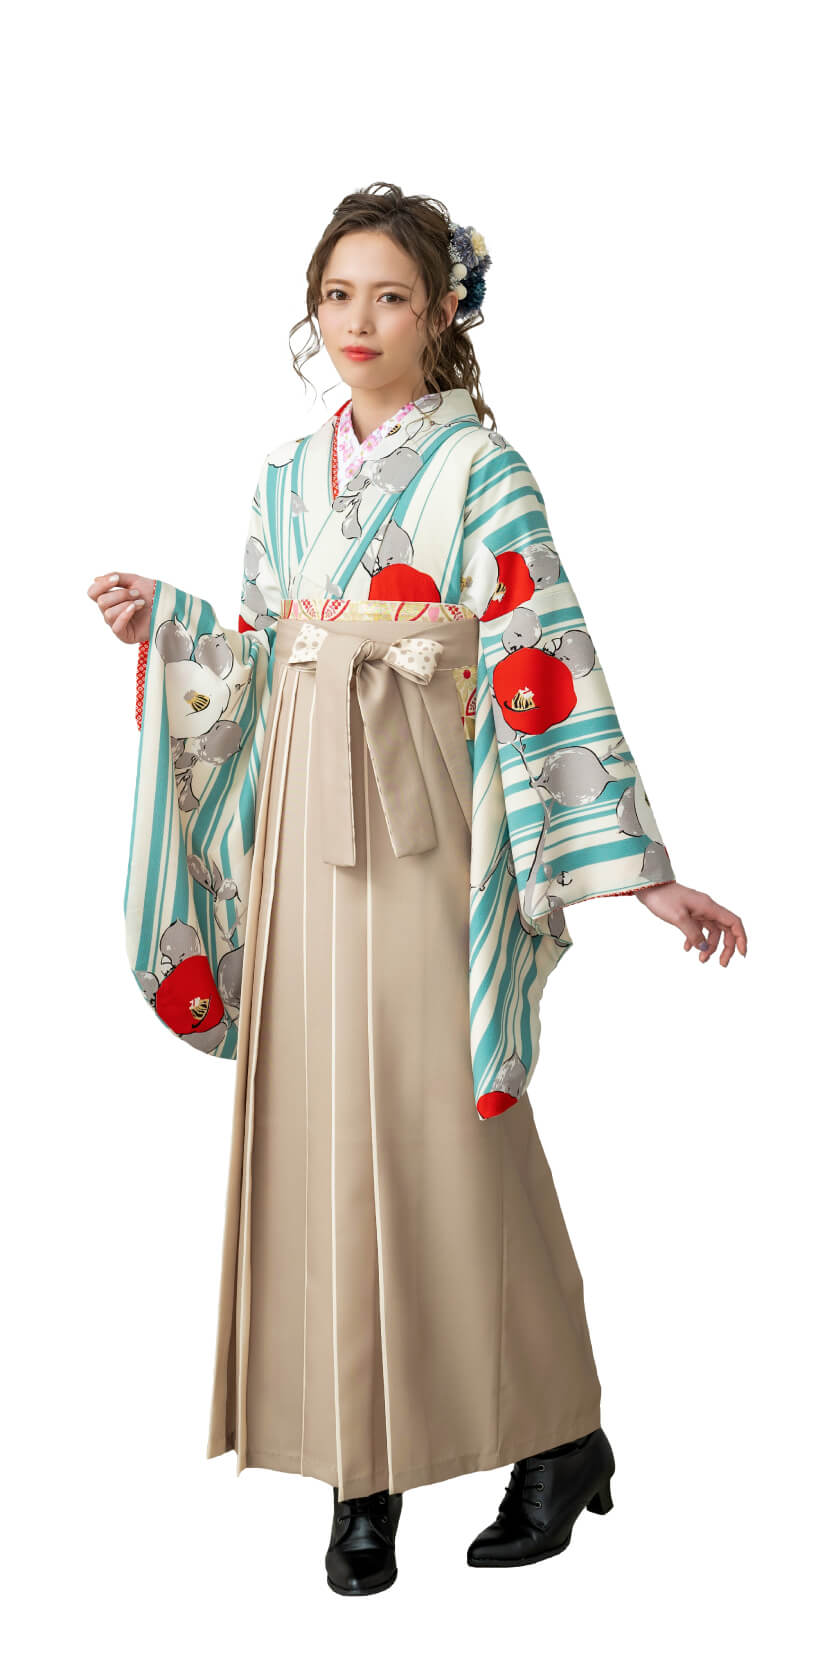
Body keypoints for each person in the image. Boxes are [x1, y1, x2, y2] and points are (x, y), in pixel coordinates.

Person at [87, 181, 747, 1597]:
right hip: (298, 834)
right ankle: (358, 1471)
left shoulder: (483, 473)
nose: (360, 323)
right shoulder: (284, 477)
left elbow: (545, 649)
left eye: (390, 297)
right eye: (338, 296)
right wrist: (174, 624)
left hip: (423, 819)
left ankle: (558, 1435)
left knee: (455, 1127)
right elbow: (261, 653)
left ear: (444, 313)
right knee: (316, 1137)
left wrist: (641, 876)